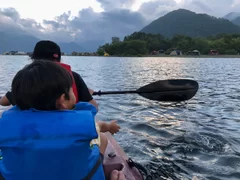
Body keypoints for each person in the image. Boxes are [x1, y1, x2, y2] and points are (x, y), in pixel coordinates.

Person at [0, 60, 125, 180]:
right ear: (62, 101)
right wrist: (110, 126)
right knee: (102, 138)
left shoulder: (5, 125)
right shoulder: (82, 124)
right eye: (71, 91)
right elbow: (100, 126)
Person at [0, 40, 98, 110]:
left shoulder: (28, 77)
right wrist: (85, 94)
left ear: (34, 59)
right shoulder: (73, 76)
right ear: (58, 59)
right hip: (67, 127)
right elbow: (94, 107)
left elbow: (3, 102)